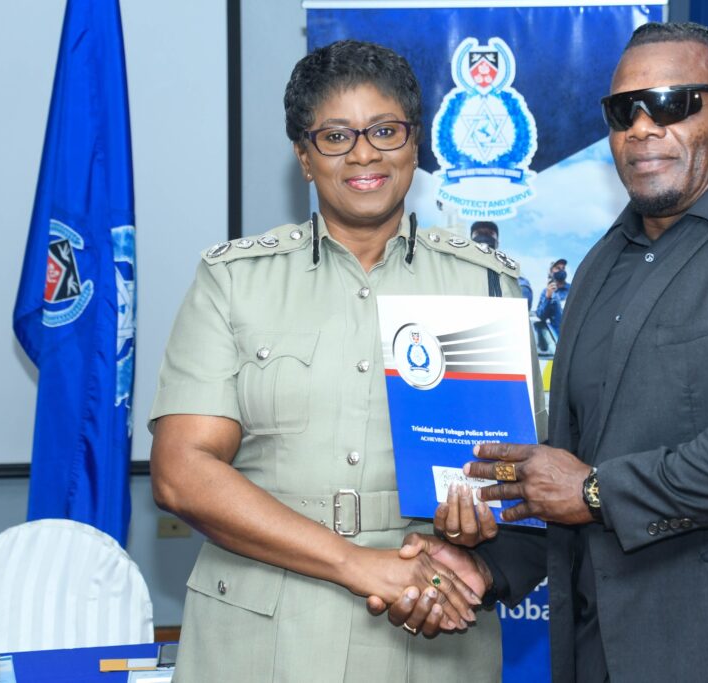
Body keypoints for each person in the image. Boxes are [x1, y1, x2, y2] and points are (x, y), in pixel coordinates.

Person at [373, 21, 708, 681]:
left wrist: (593, 490)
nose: (643, 126)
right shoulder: (601, 263)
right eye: (623, 110)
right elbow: (564, 466)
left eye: (674, 102)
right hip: (602, 653)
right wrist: (486, 565)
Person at [148, 40, 543, 682]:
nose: (364, 153)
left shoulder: (487, 286)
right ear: (304, 157)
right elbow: (181, 473)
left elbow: (524, 482)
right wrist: (355, 562)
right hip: (258, 635)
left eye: (385, 131)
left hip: (429, 623)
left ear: (416, 145)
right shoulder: (233, 281)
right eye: (335, 136)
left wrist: (475, 528)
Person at [470, 220, 533, 310]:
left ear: (497, 242)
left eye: (489, 233)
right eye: (479, 233)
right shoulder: (457, 266)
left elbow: (524, 295)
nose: (484, 236)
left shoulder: (509, 267)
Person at [535, 258, 570, 338]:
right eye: (558, 268)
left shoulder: (572, 289)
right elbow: (541, 316)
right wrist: (548, 297)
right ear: (551, 272)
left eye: (563, 268)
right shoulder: (546, 292)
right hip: (556, 339)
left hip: (573, 336)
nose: (561, 270)